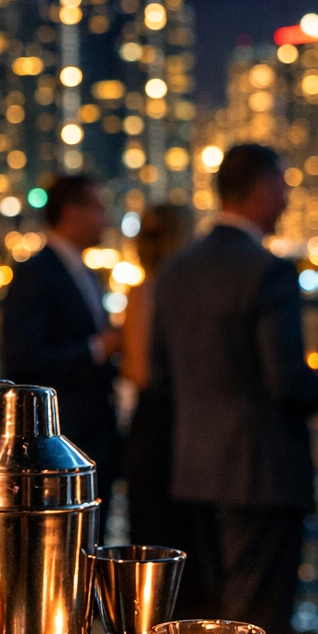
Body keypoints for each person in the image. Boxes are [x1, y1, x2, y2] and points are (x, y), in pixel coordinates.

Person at [149, 144, 318, 634]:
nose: (287, 198)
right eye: (284, 185)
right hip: (261, 473)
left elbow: (161, 374)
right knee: (260, 621)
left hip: (193, 472)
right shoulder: (267, 270)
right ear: (262, 188)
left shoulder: (177, 269)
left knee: (209, 617)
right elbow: (287, 381)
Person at [1, 175, 120, 487]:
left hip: (93, 434)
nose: (105, 219)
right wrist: (97, 349)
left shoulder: (85, 272)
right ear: (72, 213)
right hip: (61, 440)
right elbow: (22, 360)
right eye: (98, 208)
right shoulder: (35, 272)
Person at [120, 204, 193, 551]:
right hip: (181, 427)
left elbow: (137, 373)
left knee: (154, 543)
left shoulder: (145, 290)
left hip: (155, 428)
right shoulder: (183, 291)